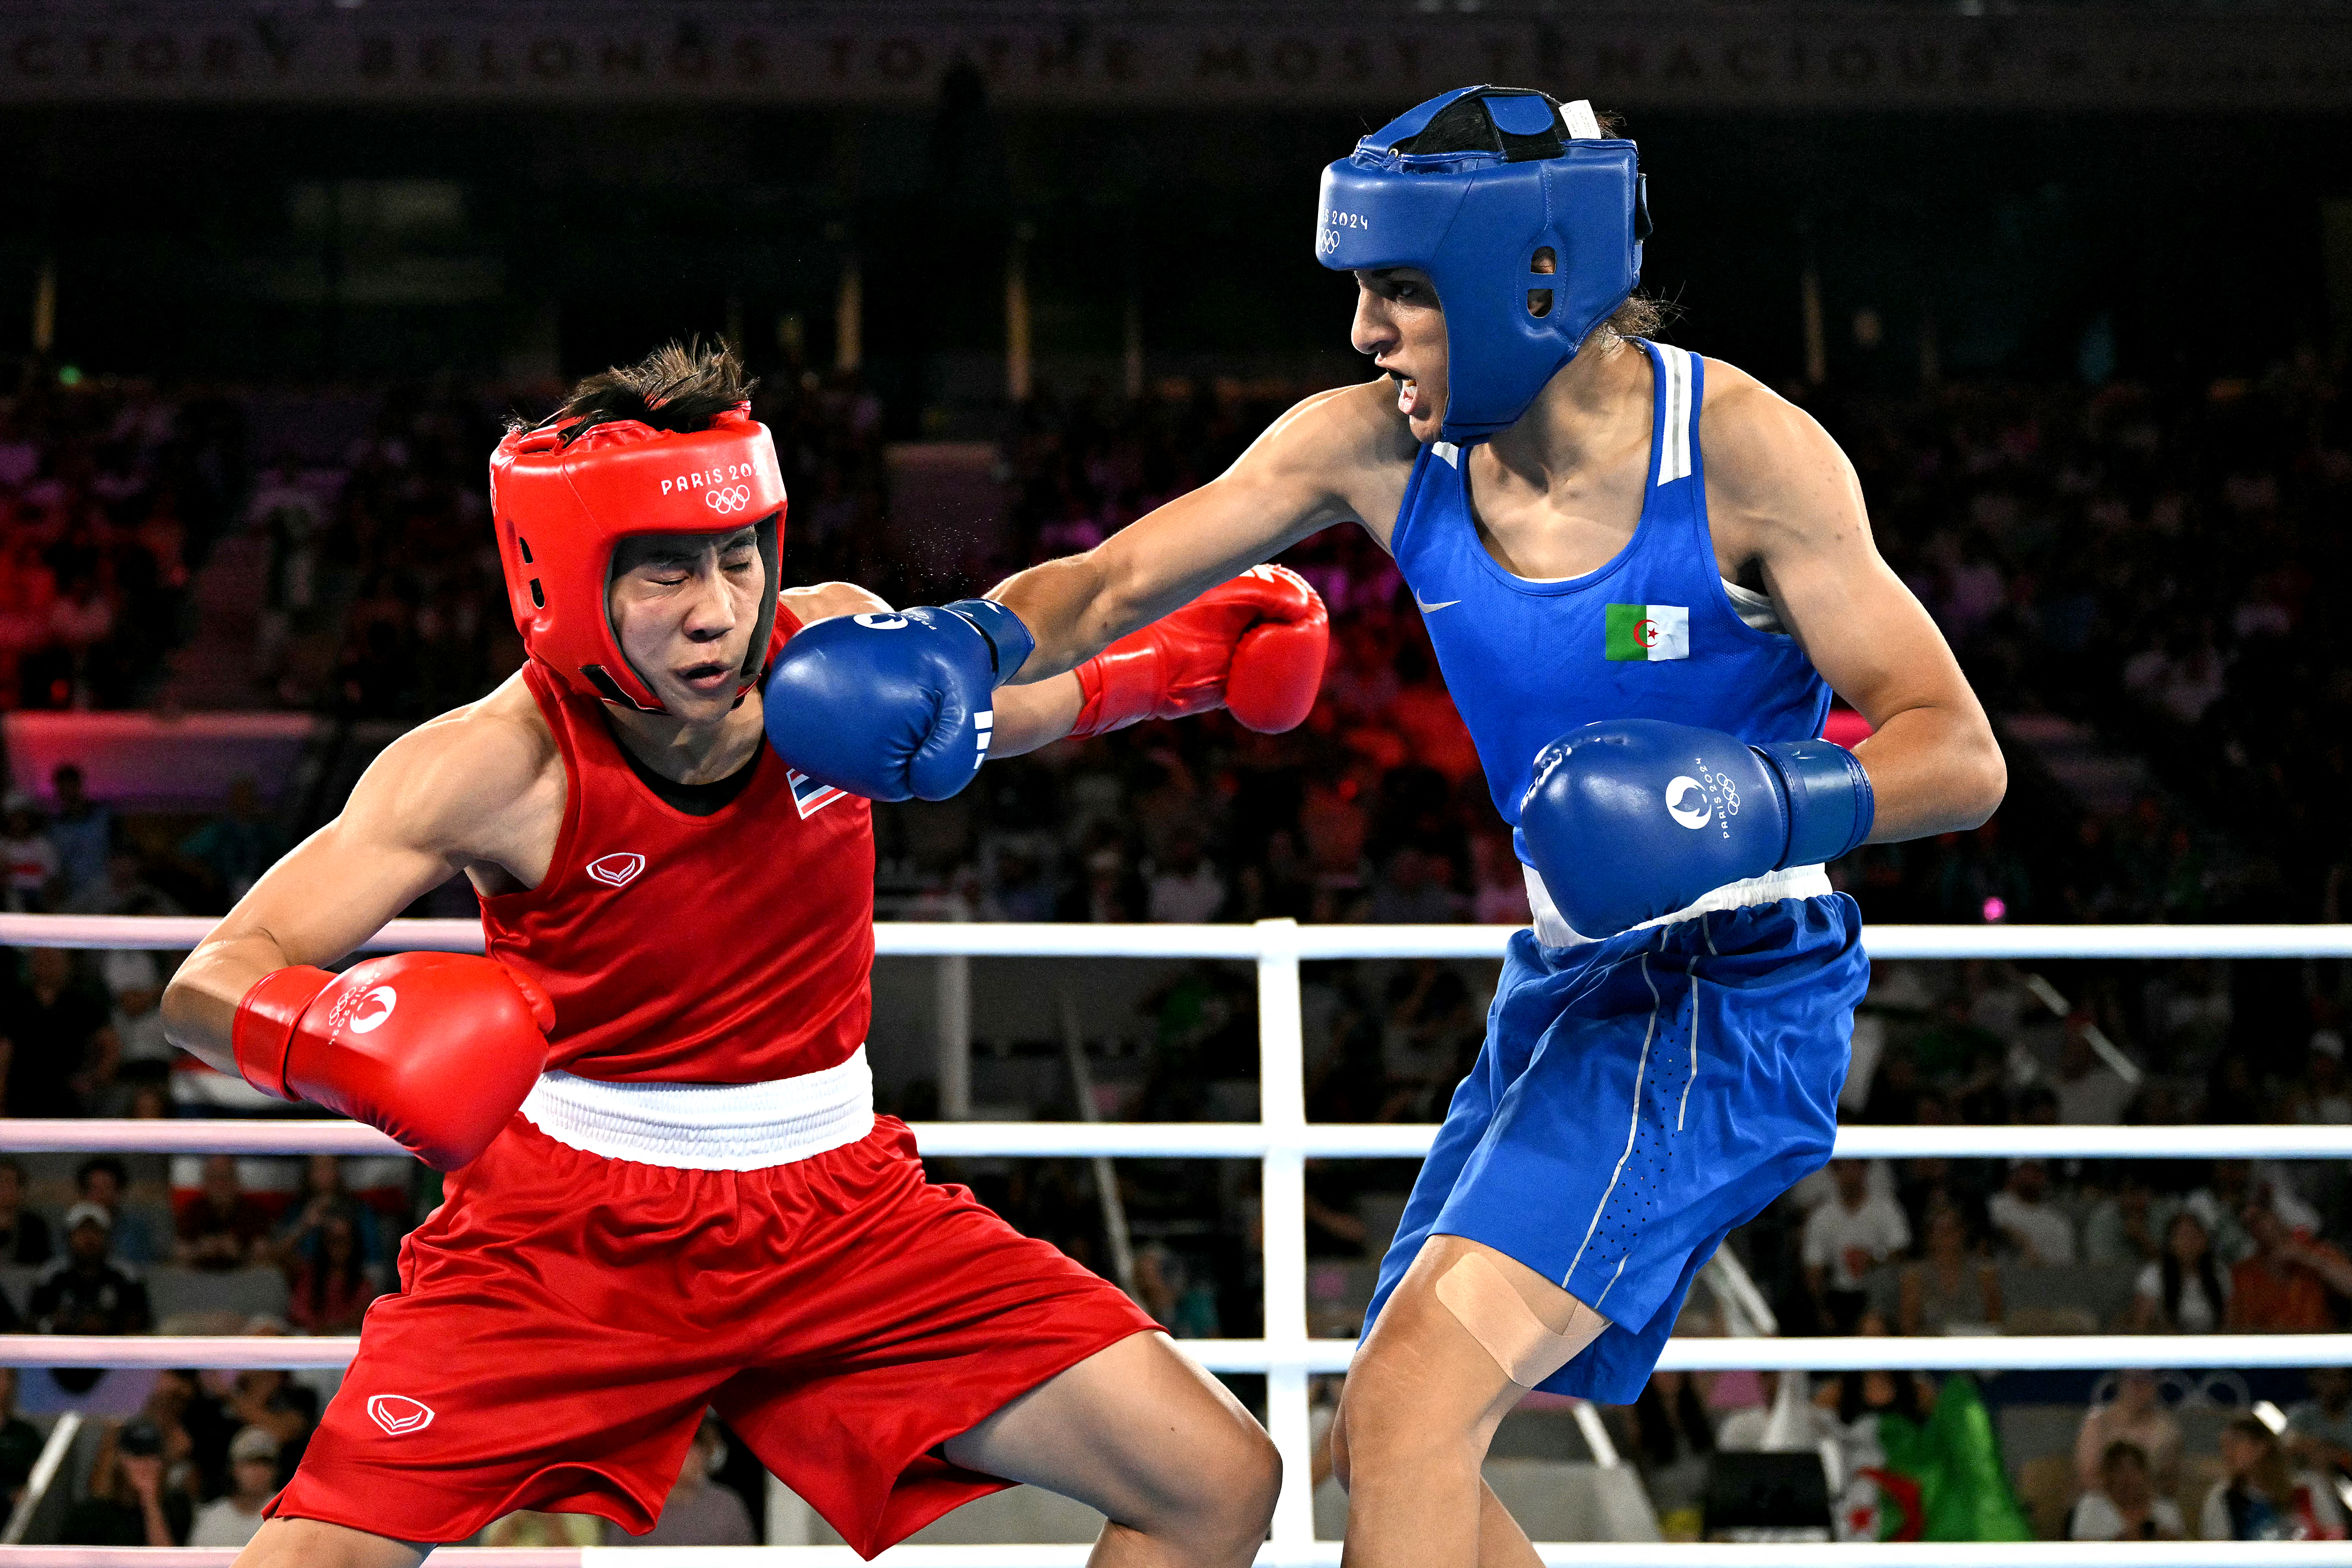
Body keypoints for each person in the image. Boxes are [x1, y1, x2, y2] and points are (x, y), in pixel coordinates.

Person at [762, 85, 2004, 1566]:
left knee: (1417, 1402)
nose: (1363, 334)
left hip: (1734, 981)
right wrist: (963, 643)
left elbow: (1960, 749)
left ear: (1532, 278)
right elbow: (1106, 586)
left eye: (1400, 291)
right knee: (1383, 1432)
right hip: (1563, 983)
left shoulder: (1740, 450)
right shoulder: (1371, 446)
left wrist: (1749, 796)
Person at [160, 341, 1325, 1567]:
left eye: (737, 556)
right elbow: (215, 978)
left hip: (842, 1207)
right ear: (561, 579)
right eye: (664, 572)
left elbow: (1006, 706)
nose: (718, 610)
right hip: (571, 1234)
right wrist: (337, 1035)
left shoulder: (827, 652)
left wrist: (1184, 666)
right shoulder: (492, 765)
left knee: (1213, 1481)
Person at [601, 1416, 754, 1547]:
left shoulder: (726, 1505)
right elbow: (612, 1557)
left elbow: (748, 1559)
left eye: (696, 1448)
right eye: (681, 1449)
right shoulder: (636, 1505)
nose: (690, 1458)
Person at [1801, 1160, 1911, 1334]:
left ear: (1864, 1171)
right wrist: (1821, 1309)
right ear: (1836, 1174)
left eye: (1855, 1168)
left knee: (1887, 1279)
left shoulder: (1885, 1207)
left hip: (1877, 1290)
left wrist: (1874, 1259)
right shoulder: (1822, 1215)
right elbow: (1814, 1267)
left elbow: (1902, 1250)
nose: (1850, 1176)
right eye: (1844, 1169)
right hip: (1839, 1293)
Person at [2201, 1414, 2348, 1541]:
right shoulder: (2222, 1497)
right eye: (2223, 1447)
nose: (2227, 1453)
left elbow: (2337, 1537)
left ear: (2262, 1446)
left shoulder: (2309, 1487)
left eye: (2235, 1443)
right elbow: (2219, 1553)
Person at [60, 1417, 191, 1547]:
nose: (144, 1464)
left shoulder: (176, 1506)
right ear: (120, 1460)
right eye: (137, 1456)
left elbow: (167, 1561)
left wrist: (149, 1498)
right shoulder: (91, 1514)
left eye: (151, 1457)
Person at [2229, 1201, 2352, 1332]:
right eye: (2251, 1223)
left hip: (2318, 1343)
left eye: (2261, 1217)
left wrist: (2304, 1258)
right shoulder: (2245, 1272)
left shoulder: (2317, 1251)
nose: (2259, 1226)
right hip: (2271, 1348)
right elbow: (2235, 1327)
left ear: (2275, 1215)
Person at [1897, 1203, 2003, 1336]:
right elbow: (1909, 1328)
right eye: (1941, 1231)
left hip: (1975, 1346)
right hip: (1932, 1349)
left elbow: (1996, 1321)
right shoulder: (1914, 1276)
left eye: (1953, 1230)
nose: (1948, 1237)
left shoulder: (1984, 1273)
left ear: (1963, 1232)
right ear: (1930, 1236)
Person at [2073, 1369, 2181, 1494]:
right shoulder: (2097, 1422)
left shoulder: (2167, 1427)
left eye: (2146, 1379)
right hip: (2104, 1499)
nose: (2138, 1387)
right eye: (2133, 1379)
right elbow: (2088, 1478)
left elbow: (2170, 1482)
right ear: (2120, 1382)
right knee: (2090, 1504)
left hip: (2149, 1499)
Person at [2127, 1210, 2230, 1333]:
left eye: (2194, 1236)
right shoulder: (2153, 1275)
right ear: (2170, 1242)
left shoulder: (2220, 1273)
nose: (2189, 1243)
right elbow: (2141, 1325)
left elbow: (2230, 1322)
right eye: (2183, 1236)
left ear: (2205, 1241)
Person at [2068, 1440, 2185, 1542]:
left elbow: (2182, 1553)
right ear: (2107, 1474)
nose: (2127, 1476)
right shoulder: (2092, 1506)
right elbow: (2080, 1551)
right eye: (2119, 1469)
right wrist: (2117, 1543)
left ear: (2146, 1473)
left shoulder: (2166, 1508)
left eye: (2134, 1469)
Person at [189, 1428, 283, 1549]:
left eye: (265, 1463)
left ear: (276, 1470)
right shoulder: (212, 1519)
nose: (257, 1471)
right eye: (250, 1463)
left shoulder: (289, 1516)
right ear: (234, 1469)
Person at [2288, 1367, 2352, 1480]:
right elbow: (2285, 1446)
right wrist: (2317, 1448)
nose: (2334, 1385)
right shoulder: (2302, 1414)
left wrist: (2341, 1457)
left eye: (2342, 1377)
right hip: (2312, 1485)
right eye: (2327, 1377)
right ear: (2313, 1380)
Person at [0, 1158, 53, 1267]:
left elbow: (40, 1266)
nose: (2, 1187)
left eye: (8, 1182)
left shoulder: (34, 1226)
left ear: (20, 1190)